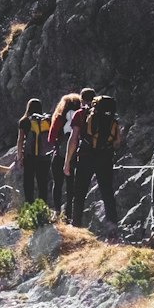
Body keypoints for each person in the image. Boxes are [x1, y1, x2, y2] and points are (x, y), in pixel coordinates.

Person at [67, 93, 121, 230]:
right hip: (105, 158)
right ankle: (112, 228)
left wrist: (67, 161)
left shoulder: (81, 114)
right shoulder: (113, 120)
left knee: (79, 193)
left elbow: (73, 139)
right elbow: (117, 142)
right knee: (107, 193)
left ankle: (76, 226)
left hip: (86, 156)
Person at [52, 87, 95, 220]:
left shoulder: (61, 116)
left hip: (61, 153)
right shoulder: (87, 115)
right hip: (81, 155)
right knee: (72, 187)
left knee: (57, 184)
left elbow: (51, 136)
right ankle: (70, 215)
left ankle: (57, 211)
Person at [17, 98, 52, 204]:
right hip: (45, 156)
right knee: (43, 183)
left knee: (28, 182)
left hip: (30, 156)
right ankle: (43, 206)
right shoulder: (47, 120)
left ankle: (30, 205)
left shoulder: (25, 121)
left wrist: (19, 157)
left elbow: (20, 140)